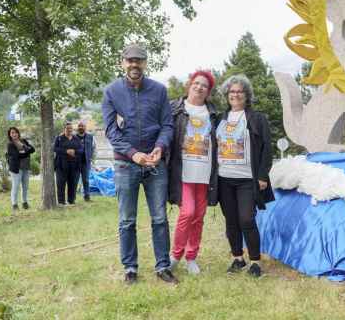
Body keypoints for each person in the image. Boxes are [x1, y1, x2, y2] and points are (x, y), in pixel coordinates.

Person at [102, 43, 176, 284]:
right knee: (126, 219)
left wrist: (160, 147)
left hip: (155, 164)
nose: (134, 64)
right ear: (122, 62)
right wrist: (132, 153)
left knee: (159, 218)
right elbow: (111, 130)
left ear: (145, 63)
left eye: (139, 60)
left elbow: (167, 124)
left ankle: (163, 266)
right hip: (126, 164)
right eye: (130, 60)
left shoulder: (159, 90)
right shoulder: (111, 92)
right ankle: (130, 269)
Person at [216, 74, 274, 278]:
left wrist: (262, 176)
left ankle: (255, 262)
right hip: (224, 178)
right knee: (231, 220)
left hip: (247, 179)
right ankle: (238, 258)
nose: (236, 94)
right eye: (232, 91)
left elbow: (267, 148)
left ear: (246, 94)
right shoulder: (220, 119)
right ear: (227, 95)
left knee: (247, 219)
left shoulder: (257, 118)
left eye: (240, 91)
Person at [168, 70, 218, 275]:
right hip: (183, 171)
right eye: (197, 83)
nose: (199, 87)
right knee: (187, 213)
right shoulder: (175, 109)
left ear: (208, 92)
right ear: (190, 85)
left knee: (199, 216)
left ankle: (191, 257)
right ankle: (175, 255)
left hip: (205, 173)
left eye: (204, 86)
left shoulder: (214, 114)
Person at [6, 127, 35, 210]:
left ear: (18, 133)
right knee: (16, 186)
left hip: (26, 167)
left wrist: (23, 149)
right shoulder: (10, 144)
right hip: (16, 168)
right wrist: (26, 151)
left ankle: (24, 202)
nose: (14, 134)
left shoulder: (24, 141)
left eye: (15, 132)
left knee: (25, 186)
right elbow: (16, 156)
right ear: (10, 135)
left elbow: (33, 150)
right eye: (12, 133)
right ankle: (14, 204)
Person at [53, 122, 82, 206]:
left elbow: (81, 150)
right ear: (64, 129)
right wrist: (66, 151)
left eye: (71, 128)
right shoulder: (59, 138)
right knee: (61, 184)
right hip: (61, 165)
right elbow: (54, 148)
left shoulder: (76, 139)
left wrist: (74, 151)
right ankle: (61, 202)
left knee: (73, 184)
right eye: (67, 128)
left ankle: (71, 201)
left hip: (74, 166)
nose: (69, 130)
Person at [75, 121, 96, 202]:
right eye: (79, 126)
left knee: (86, 180)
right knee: (74, 180)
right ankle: (72, 197)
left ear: (85, 127)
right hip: (75, 163)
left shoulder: (91, 137)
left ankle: (87, 197)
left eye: (82, 126)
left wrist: (92, 160)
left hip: (86, 162)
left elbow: (94, 149)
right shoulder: (73, 137)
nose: (81, 127)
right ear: (77, 127)